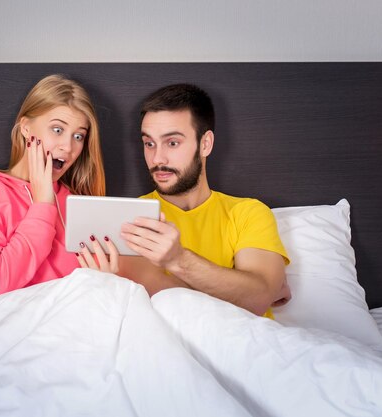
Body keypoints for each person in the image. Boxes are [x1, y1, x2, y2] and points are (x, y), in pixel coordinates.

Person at [0, 74, 114, 309]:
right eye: (57, 129)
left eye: (78, 136)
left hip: (62, 320)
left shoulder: (78, 205)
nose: (68, 147)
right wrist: (42, 205)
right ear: (26, 128)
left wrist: (105, 279)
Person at [115, 83, 291, 317]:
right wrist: (243, 293)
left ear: (205, 143)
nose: (157, 158)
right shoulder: (130, 219)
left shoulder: (249, 212)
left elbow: (258, 299)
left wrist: (177, 260)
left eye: (172, 142)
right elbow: (256, 297)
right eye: (149, 143)